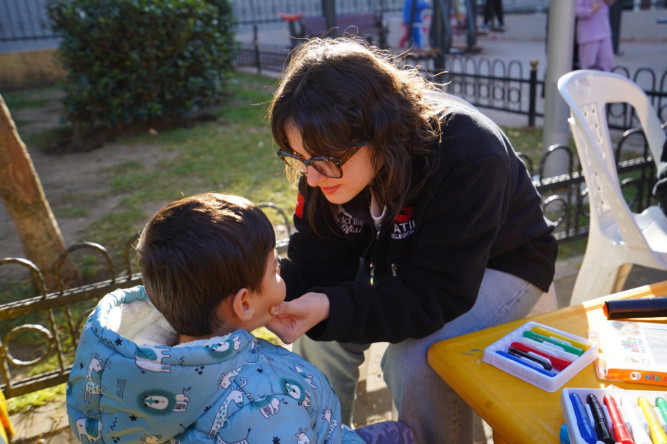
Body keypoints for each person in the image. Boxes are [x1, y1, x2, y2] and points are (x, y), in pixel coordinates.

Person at [267, 37, 558, 443]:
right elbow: (319, 270)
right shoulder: (325, 157)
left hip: (503, 263)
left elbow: (433, 296)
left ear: (379, 132)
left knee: (418, 362)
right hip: (411, 272)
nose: (311, 178)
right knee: (320, 340)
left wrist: (332, 303)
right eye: (297, 157)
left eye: (323, 162)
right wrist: (264, 290)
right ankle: (325, 437)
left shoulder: (469, 152)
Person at [66, 193, 415, 443]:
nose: (283, 278)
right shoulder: (267, 407)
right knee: (405, 435)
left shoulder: (118, 367)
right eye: (276, 270)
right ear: (244, 303)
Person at [575, 0, 615, 72]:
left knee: (607, 63)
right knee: (588, 67)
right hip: (589, 36)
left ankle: (603, 82)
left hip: (604, 32)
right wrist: (591, 10)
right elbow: (575, 10)